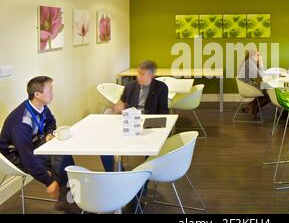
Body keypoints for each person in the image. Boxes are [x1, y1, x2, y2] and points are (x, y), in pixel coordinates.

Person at [0, 76, 81, 213]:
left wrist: (49, 133)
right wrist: (48, 181)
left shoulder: (41, 107)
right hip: (15, 156)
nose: (52, 93)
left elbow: (51, 121)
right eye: (49, 90)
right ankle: (68, 199)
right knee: (60, 158)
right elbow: (27, 157)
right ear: (37, 94)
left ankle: (68, 199)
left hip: (32, 145)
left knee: (62, 151)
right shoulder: (21, 123)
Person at [101, 60, 169, 172]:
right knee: (105, 146)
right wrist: (117, 108)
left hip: (149, 125)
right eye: (138, 73)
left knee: (151, 148)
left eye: (143, 74)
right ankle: (117, 174)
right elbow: (121, 104)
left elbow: (163, 112)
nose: (139, 77)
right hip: (130, 122)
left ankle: (146, 175)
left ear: (151, 76)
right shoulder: (130, 86)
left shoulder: (161, 88)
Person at [237, 49, 271, 116]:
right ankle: (254, 107)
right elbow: (260, 75)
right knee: (271, 92)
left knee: (267, 89)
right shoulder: (249, 63)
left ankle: (251, 105)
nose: (259, 56)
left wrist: (259, 63)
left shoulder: (249, 62)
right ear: (252, 56)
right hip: (247, 87)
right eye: (258, 55)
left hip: (246, 85)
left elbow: (260, 74)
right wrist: (261, 62)